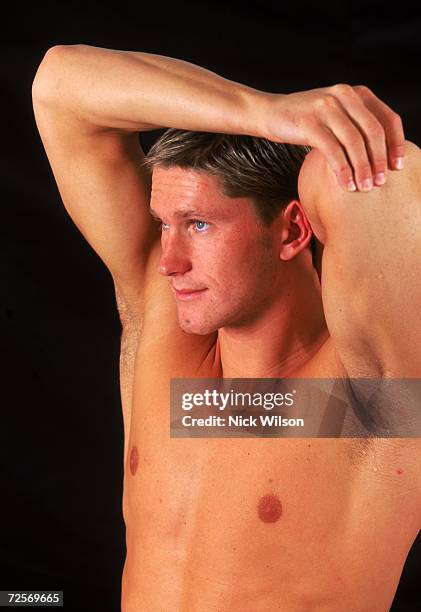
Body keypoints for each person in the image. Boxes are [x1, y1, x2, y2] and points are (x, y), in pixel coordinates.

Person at [32, 44, 421, 611]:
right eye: (165, 224)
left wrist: (309, 135)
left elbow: (380, 176)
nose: (169, 261)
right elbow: (59, 86)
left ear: (292, 231)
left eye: (200, 224)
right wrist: (261, 112)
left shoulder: (374, 399)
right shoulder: (163, 331)